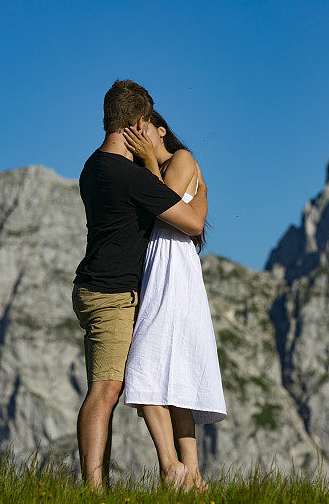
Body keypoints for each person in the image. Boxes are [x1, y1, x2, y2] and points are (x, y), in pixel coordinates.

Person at [71, 80, 207, 492]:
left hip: (94, 287)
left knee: (120, 383)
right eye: (145, 122)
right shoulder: (128, 176)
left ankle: (141, 476)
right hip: (113, 296)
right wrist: (202, 194)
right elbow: (193, 222)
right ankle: (95, 490)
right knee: (106, 389)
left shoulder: (93, 166)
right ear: (135, 122)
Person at [121, 110, 227, 492]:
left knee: (144, 365)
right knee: (171, 371)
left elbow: (162, 207)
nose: (137, 134)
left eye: (143, 128)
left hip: (173, 266)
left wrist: (150, 162)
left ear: (161, 130)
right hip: (159, 266)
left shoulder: (180, 159)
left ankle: (173, 468)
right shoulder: (148, 168)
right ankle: (192, 475)